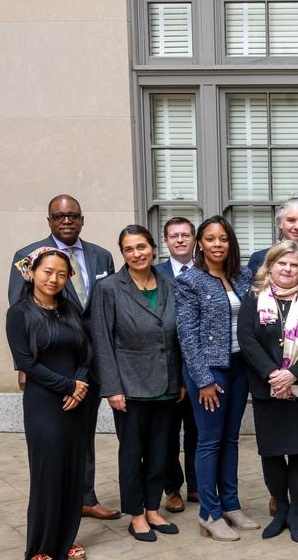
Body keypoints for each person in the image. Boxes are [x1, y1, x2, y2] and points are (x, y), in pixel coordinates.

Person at [8, 194, 118, 522]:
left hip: (91, 361)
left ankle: (84, 497)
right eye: (59, 216)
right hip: (51, 363)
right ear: (49, 221)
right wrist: (23, 366)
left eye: (73, 215)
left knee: (83, 433)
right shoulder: (27, 257)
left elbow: (107, 307)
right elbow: (20, 310)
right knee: (50, 440)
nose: (66, 221)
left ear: (82, 220)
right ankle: (52, 504)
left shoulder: (102, 256)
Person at [89, 225, 183, 542]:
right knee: (132, 453)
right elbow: (101, 341)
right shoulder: (110, 289)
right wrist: (112, 388)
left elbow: (180, 336)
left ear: (153, 248)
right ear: (123, 254)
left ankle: (153, 508)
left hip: (167, 383)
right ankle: (136, 514)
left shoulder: (170, 284)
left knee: (161, 451)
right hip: (129, 387)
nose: (136, 254)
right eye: (129, 249)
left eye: (141, 246)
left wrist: (181, 378)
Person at [239, 241, 298, 543]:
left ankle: (295, 512)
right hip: (268, 391)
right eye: (282, 263)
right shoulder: (253, 300)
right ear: (270, 266)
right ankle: (280, 508)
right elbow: (248, 340)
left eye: (294, 265)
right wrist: (273, 374)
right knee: (272, 452)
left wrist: (294, 373)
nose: (288, 269)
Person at [6, 247, 92, 560]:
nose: (53, 278)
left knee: (73, 471)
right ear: (31, 273)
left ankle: (66, 539)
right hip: (44, 403)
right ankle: (39, 548)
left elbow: (86, 352)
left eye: (61, 273)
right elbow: (26, 362)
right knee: (48, 473)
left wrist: (81, 383)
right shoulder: (19, 313)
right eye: (47, 272)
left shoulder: (69, 309)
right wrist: (67, 386)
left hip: (76, 402)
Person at [175, 216, 258, 541]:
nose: (217, 244)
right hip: (209, 372)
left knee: (231, 439)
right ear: (200, 244)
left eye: (223, 238)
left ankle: (231, 504)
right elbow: (187, 335)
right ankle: (209, 513)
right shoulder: (189, 280)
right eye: (210, 239)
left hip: (239, 368)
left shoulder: (241, 276)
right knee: (209, 441)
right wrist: (203, 379)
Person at [156, 217, 198, 513]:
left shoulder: (208, 271)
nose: (180, 240)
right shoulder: (153, 273)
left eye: (185, 235)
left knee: (198, 431)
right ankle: (172, 488)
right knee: (168, 433)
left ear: (194, 239)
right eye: (174, 236)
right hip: (166, 369)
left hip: (199, 369)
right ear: (166, 241)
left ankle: (197, 483)